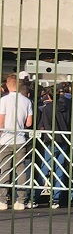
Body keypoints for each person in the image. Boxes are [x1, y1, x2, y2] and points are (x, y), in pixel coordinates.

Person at [0, 74, 34, 210]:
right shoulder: (27, 101)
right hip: (20, 139)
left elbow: (1, 121)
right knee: (21, 170)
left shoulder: (4, 100)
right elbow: (29, 123)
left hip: (5, 139)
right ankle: (21, 200)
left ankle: (3, 200)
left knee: (5, 169)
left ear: (7, 86)